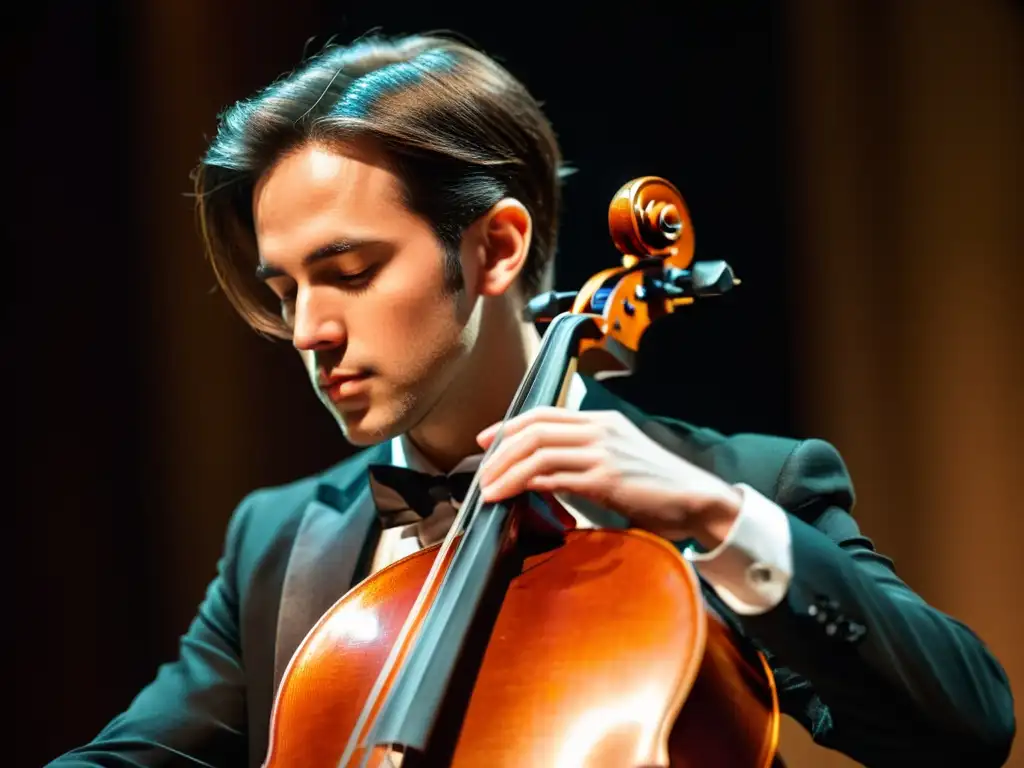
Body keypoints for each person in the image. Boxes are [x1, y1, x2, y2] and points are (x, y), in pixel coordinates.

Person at [49, 31, 1014, 768]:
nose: (307, 330)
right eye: (288, 287)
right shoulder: (278, 537)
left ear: (496, 248)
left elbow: (965, 728)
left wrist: (717, 519)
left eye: (346, 270)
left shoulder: (741, 484)